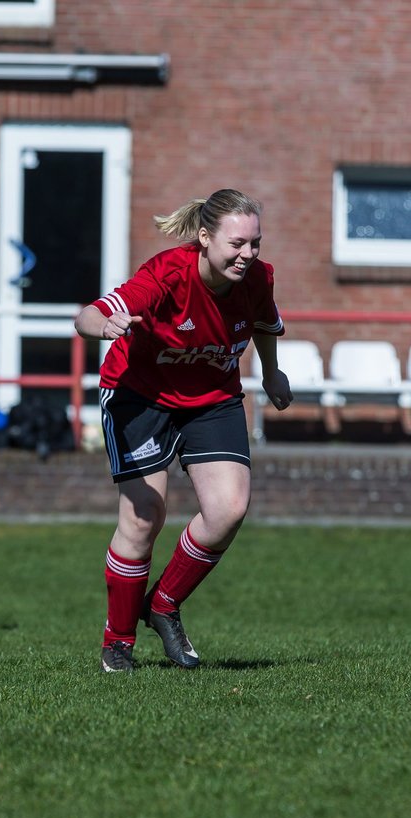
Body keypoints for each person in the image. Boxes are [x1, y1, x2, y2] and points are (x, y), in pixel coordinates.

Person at [74, 188, 293, 673]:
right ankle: (118, 643)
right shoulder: (166, 274)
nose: (248, 254)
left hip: (212, 399)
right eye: (237, 243)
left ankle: (164, 603)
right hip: (140, 398)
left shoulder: (257, 278)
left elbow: (263, 323)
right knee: (144, 518)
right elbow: (87, 314)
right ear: (204, 237)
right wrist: (104, 326)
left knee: (228, 510)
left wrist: (271, 373)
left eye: (255, 243)